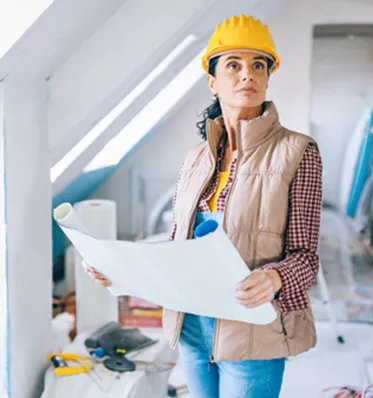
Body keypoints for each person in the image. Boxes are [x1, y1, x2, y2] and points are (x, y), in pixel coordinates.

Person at [85, 14, 323, 398]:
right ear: (212, 81)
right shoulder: (196, 156)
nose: (248, 74)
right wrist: (118, 269)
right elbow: (179, 249)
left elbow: (306, 259)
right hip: (191, 326)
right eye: (234, 65)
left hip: (252, 336)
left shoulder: (297, 152)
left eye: (258, 65)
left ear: (267, 76)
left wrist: (275, 278)